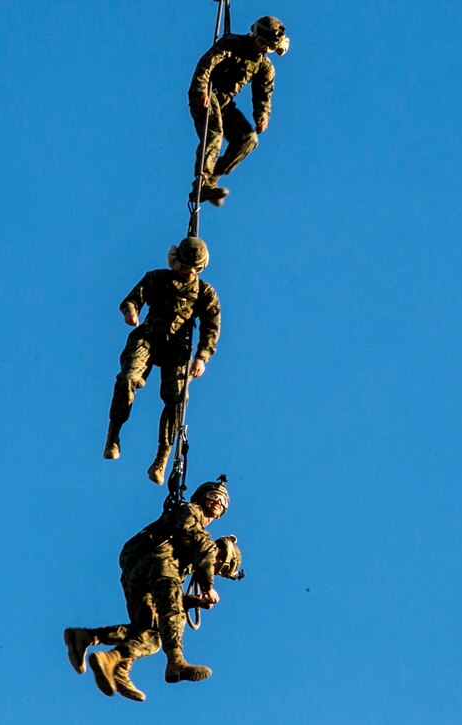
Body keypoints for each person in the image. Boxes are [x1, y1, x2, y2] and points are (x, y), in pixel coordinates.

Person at [63, 480, 244, 702]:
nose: (217, 502)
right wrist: (207, 587)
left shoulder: (185, 558)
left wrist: (194, 601)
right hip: (156, 563)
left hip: (139, 575)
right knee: (172, 615)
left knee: (149, 633)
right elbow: (201, 548)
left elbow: (168, 594)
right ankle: (175, 661)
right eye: (214, 496)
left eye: (223, 500)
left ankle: (99, 648)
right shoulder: (191, 513)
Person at [103, 236, 220, 485]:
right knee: (126, 380)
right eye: (184, 265)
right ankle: (113, 434)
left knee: (177, 400)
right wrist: (131, 312)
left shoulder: (204, 293)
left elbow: (211, 325)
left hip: (177, 350)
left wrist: (202, 357)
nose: (187, 272)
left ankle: (161, 458)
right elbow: (132, 299)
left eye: (193, 268)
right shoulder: (157, 278)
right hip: (147, 339)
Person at [188, 15, 289, 206]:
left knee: (248, 140)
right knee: (213, 133)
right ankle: (202, 181)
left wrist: (262, 114)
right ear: (254, 34)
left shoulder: (264, 66)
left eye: (267, 47)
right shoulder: (232, 43)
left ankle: (211, 178)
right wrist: (201, 88)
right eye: (260, 42)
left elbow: (263, 93)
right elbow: (207, 63)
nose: (261, 49)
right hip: (206, 94)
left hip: (225, 105)